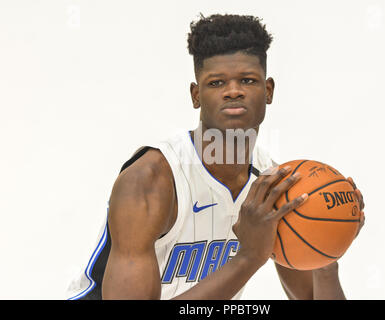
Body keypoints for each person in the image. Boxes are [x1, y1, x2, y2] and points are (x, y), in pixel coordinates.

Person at [66, 13, 365, 300]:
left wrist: (327, 250)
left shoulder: (274, 183)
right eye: (216, 83)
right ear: (196, 95)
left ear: (268, 90)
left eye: (247, 80)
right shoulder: (150, 180)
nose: (233, 91)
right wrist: (248, 257)